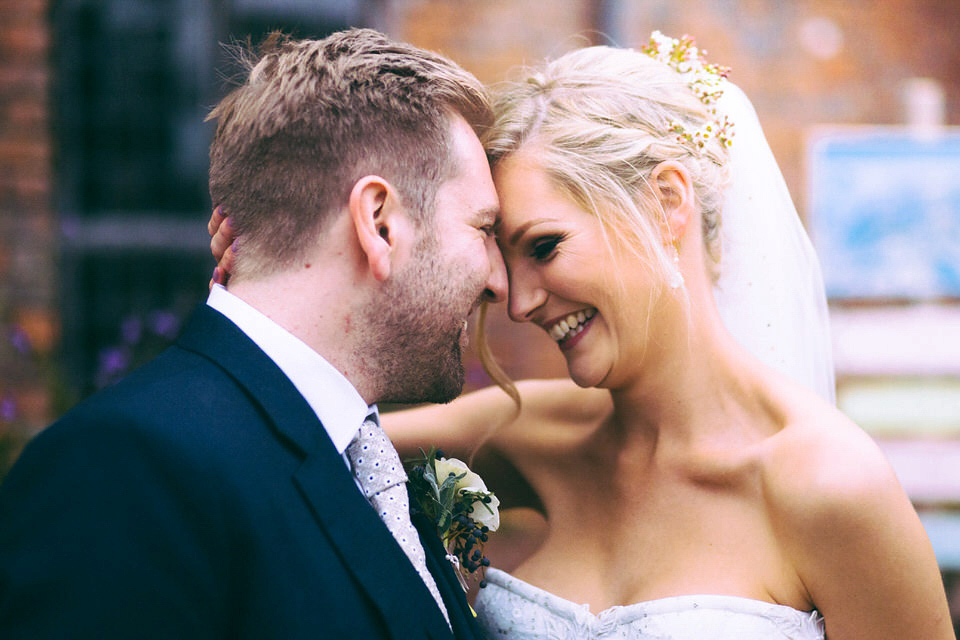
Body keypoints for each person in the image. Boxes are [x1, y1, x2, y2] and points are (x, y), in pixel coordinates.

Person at [209, 36, 955, 639]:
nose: (518, 299)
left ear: (666, 202)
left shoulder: (832, 487)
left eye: (544, 247)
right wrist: (268, 276)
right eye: (501, 254)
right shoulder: (524, 432)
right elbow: (288, 442)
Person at [0, 29, 505, 639]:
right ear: (379, 224)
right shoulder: (122, 470)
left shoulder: (359, 461)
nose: (499, 283)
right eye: (483, 229)